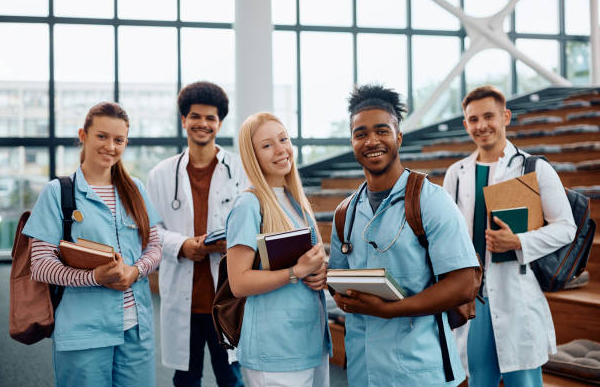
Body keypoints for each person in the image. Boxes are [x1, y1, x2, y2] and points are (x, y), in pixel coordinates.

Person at [329, 84, 479, 386]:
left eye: (382, 131)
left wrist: (390, 310)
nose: (372, 141)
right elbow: (337, 279)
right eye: (361, 134)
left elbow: (464, 285)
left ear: (398, 136)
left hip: (420, 370)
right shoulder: (345, 212)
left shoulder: (430, 200)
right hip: (364, 370)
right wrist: (341, 296)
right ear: (352, 141)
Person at [443, 85, 577, 387]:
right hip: (474, 298)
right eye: (473, 119)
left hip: (515, 290)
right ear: (465, 124)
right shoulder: (456, 173)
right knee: (479, 379)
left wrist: (519, 242)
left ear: (505, 116)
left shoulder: (533, 168)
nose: (481, 126)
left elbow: (566, 227)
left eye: (488, 116)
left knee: (524, 381)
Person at [22, 102, 162, 387]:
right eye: (102, 136)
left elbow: (155, 246)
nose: (110, 146)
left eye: (119, 139)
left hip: (135, 329)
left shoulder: (135, 189)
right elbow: (40, 265)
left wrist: (134, 272)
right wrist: (94, 277)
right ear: (83, 135)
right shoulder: (57, 192)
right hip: (83, 332)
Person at [146, 81, 246, 387]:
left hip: (225, 298)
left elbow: (256, 221)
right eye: (196, 116)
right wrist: (182, 245)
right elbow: (150, 231)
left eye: (210, 118)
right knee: (186, 379)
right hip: (183, 300)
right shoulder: (161, 174)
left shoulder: (240, 169)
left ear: (219, 123)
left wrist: (234, 241)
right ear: (183, 120)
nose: (203, 123)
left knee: (231, 377)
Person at [225, 112, 331, 387]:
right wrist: (296, 272)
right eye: (267, 145)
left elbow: (311, 264)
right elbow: (239, 282)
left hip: (310, 342)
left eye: (283, 139)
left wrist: (320, 273)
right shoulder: (248, 205)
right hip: (275, 350)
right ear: (252, 155)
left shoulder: (296, 203)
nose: (281, 149)